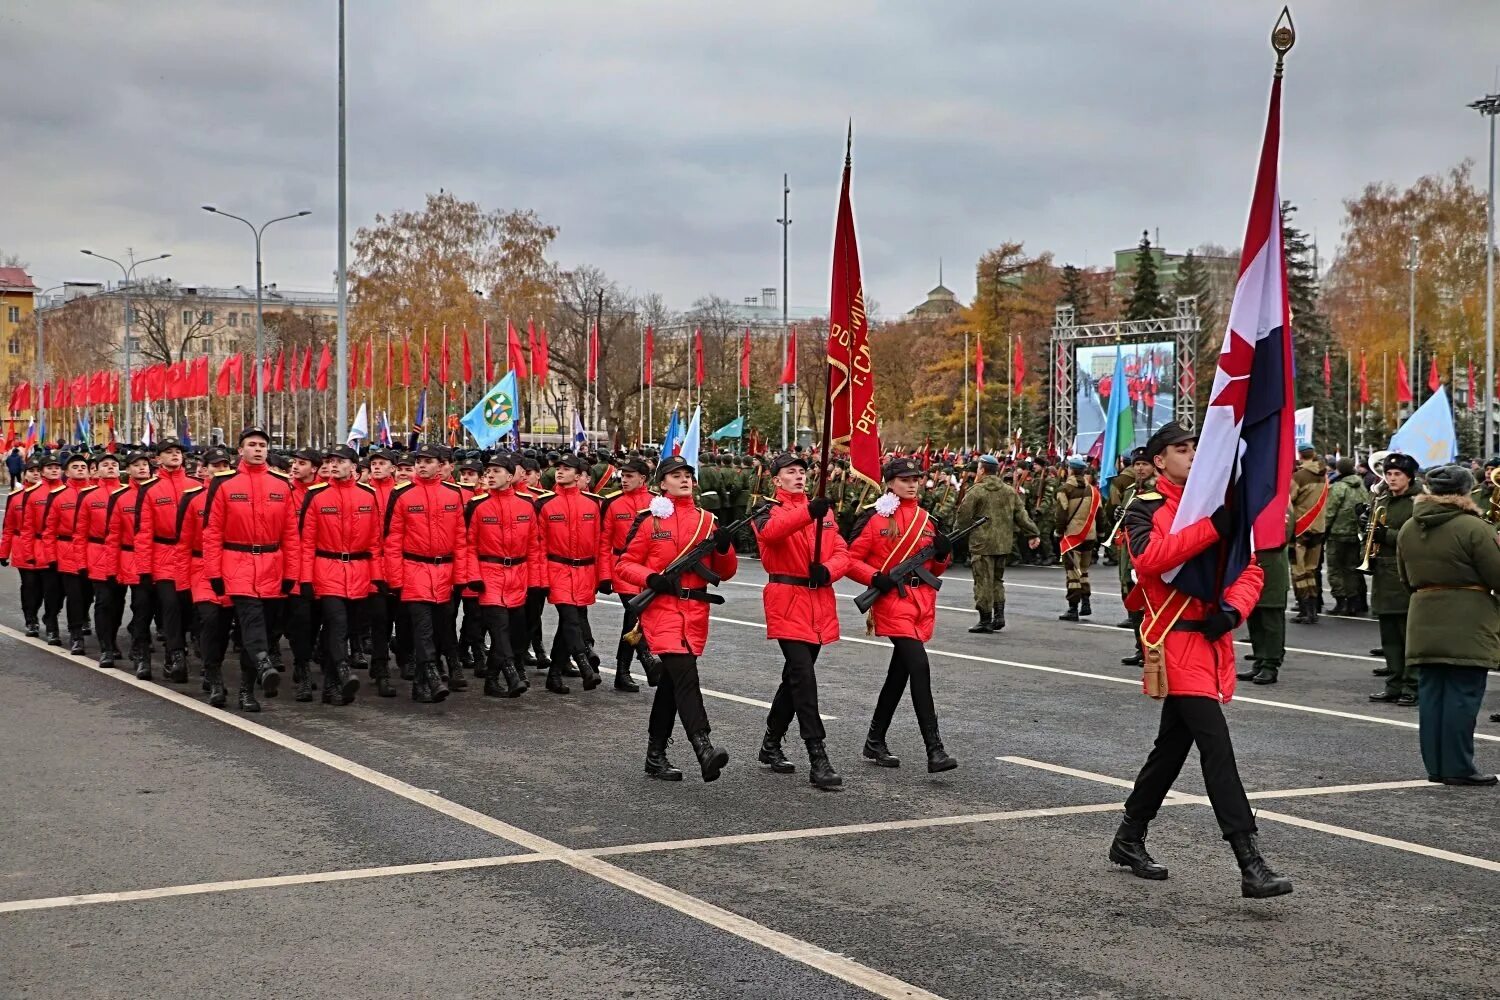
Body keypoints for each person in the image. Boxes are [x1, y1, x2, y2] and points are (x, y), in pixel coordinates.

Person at [1109, 422, 1290, 898]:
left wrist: (1233, 611)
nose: (1191, 455)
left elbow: (1249, 568)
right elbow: (1151, 561)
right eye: (1180, 449)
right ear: (1159, 461)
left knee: (1171, 749)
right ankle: (1250, 863)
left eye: (1196, 448)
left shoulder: (1219, 506)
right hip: (1172, 640)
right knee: (1217, 748)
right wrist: (1212, 529)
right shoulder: (1143, 509)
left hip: (1209, 640)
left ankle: (1129, 836)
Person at [614, 455, 739, 782]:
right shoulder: (650, 520)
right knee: (685, 676)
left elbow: (724, 573)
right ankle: (704, 747)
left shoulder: (707, 521)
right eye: (675, 475)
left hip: (695, 611)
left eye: (687, 474)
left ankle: (655, 755)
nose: (684, 479)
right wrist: (650, 578)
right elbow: (624, 565)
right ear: (662, 484)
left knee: (671, 684)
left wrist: (724, 548)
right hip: (662, 609)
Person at [846, 456, 958, 773]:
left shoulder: (927, 519)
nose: (912, 483)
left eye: (916, 478)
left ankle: (875, 740)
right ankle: (934, 750)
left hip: (921, 600)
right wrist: (874, 578)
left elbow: (936, 568)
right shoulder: (874, 518)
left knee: (900, 673)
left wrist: (943, 551)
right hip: (892, 599)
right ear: (890, 483)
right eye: (905, 479)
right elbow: (850, 559)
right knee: (919, 666)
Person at [1396, 464, 1500, 785]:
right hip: (1467, 620)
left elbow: (1405, 578)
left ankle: (1437, 766)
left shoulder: (1408, 527)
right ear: (1465, 491)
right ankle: (1458, 767)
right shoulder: (1474, 528)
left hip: (1423, 616)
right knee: (1462, 696)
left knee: (1432, 697)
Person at [752, 452, 848, 788]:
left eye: (802, 471)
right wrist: (809, 512)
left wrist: (830, 570)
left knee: (795, 678)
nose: (799, 476)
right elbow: (772, 534)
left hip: (818, 601)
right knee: (804, 678)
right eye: (790, 472)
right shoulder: (765, 509)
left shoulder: (823, 511)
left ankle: (771, 743)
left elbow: (841, 551)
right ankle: (817, 756)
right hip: (786, 600)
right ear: (776, 479)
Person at [202, 427, 301, 711]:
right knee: (250, 619)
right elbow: (211, 533)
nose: (257, 449)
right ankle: (262, 662)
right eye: (251, 444)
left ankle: (247, 688)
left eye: (262, 445)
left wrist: (291, 574)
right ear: (240, 450)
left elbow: (291, 535)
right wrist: (214, 573)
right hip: (236, 562)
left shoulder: (282, 485)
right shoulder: (223, 484)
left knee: (265, 627)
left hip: (271, 563)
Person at [383, 442, 468, 703]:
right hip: (414, 570)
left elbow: (460, 539)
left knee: (442, 626)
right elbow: (392, 540)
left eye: (428, 461)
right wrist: (395, 579)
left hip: (444, 571)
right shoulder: (402, 495)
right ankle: (431, 673)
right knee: (423, 629)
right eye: (419, 460)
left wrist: (462, 578)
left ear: (440, 466)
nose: (421, 465)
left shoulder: (453, 496)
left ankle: (420, 686)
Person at [297, 445, 378, 707]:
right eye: (331, 461)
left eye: (340, 461)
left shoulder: (368, 495)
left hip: (359, 571)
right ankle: (342, 668)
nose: (334, 465)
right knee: (337, 623)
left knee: (345, 628)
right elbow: (306, 541)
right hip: (327, 569)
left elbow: (376, 541)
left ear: (354, 467)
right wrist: (306, 579)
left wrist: (377, 577)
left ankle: (331, 687)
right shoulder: (317, 495)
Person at [462, 453, 534, 698]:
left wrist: (535, 581)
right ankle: (512, 674)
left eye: (497, 471)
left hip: (518, 574)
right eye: (488, 472)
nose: (490, 476)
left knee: (515, 630)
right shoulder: (477, 506)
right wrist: (473, 575)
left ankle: (491, 680)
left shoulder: (526, 505)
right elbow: (468, 545)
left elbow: (534, 546)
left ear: (510, 476)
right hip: (488, 575)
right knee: (499, 628)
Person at [536, 453, 603, 694]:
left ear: (579, 475)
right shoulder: (544, 503)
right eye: (558, 467)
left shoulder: (593, 504)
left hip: (584, 570)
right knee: (571, 618)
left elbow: (598, 543)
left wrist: (600, 576)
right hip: (557, 569)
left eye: (567, 468)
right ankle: (584, 664)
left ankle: (554, 675)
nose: (560, 471)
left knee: (568, 623)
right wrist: (541, 579)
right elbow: (539, 546)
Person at [955, 453, 1038, 634]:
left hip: (982, 544)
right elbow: (1021, 515)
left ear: (982, 470)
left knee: (983, 581)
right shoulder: (1009, 491)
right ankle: (999, 615)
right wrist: (1033, 533)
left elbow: (963, 517)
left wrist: (954, 537)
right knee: (997, 580)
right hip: (1003, 544)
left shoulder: (976, 491)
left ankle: (985, 619)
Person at [1368, 453, 1422, 706]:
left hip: (1403, 577)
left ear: (1409, 477)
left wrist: (1385, 534)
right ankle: (1394, 683)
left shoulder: (1417, 502)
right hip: (1383, 574)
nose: (1391, 478)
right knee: (1389, 636)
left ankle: (1412, 685)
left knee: (1408, 636)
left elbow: (1417, 538)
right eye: (1388, 474)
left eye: (1397, 474)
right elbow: (1372, 534)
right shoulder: (1383, 499)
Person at [597, 457, 653, 693]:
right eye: (623, 475)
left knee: (636, 620)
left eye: (630, 476)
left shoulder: (657, 502)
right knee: (634, 614)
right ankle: (641, 664)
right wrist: (604, 575)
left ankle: (625, 671)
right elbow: (603, 542)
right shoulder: (612, 503)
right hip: (621, 565)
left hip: (649, 568)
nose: (624, 480)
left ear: (643, 478)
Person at [1238, 505, 1293, 685]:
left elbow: (1282, 537)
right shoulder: (1251, 500)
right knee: (1254, 618)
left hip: (1272, 570)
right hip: (1250, 567)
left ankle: (1270, 665)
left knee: (1271, 620)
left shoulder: (1282, 504)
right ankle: (1259, 660)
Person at [1323, 457, 1371, 616]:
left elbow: (1330, 512)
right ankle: (1354, 602)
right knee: (1352, 568)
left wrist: (1324, 529)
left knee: (1336, 569)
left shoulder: (1339, 487)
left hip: (1337, 534)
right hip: (1355, 532)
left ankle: (1341, 602)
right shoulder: (1361, 486)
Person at [1055, 455, 1101, 621]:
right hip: (1090, 534)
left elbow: (1061, 513)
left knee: (1072, 572)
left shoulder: (1065, 489)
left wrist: (1059, 531)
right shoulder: (1093, 491)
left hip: (1073, 535)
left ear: (1070, 470)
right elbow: (1100, 514)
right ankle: (1086, 603)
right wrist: (1101, 533)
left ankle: (1073, 608)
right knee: (1084, 571)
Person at [1289, 442, 1328, 624]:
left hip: (1300, 528)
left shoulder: (1299, 476)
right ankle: (1313, 609)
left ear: (1300, 454)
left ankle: (1305, 610)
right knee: (1312, 570)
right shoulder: (1323, 474)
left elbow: (1289, 500)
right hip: (1318, 527)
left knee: (1299, 571)